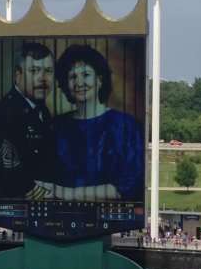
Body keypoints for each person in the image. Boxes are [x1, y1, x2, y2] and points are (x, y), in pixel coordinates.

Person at [41, 43, 144, 202]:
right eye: (72, 77)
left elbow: (128, 187)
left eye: (86, 74)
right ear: (65, 85)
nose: (79, 83)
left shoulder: (126, 127)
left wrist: (66, 193)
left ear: (100, 80)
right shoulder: (56, 126)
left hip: (110, 218)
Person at [0, 41, 56, 198]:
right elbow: (8, 171)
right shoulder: (5, 113)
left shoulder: (41, 110)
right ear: (18, 75)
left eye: (49, 71)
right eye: (34, 70)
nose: (43, 79)